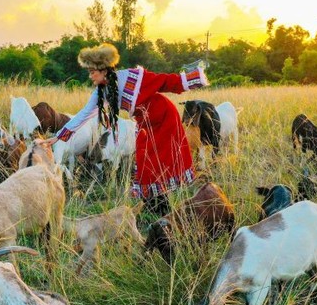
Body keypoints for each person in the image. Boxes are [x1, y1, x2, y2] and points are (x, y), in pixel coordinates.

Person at [44, 43, 209, 216]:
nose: (90, 76)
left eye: (92, 72)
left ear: (103, 70)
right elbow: (84, 114)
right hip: (145, 124)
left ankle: (161, 206)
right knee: (145, 161)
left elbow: (164, 81)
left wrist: (194, 79)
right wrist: (59, 136)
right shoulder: (102, 92)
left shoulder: (132, 76)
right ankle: (154, 205)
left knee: (159, 161)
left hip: (165, 117)